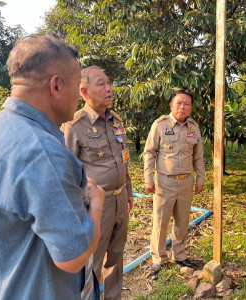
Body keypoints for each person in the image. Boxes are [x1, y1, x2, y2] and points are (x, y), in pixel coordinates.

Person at [0, 34, 105, 299]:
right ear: (56, 86)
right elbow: (73, 257)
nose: (79, 97)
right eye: (77, 86)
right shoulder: (43, 153)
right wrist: (97, 204)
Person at [61, 66, 133, 300]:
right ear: (84, 91)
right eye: (101, 84)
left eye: (109, 83)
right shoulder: (75, 125)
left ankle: (113, 297)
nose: (109, 88)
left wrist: (128, 193)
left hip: (120, 198)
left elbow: (123, 160)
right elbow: (66, 173)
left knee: (116, 255)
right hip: (95, 206)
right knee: (92, 259)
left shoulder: (116, 120)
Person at [143, 90, 205, 275]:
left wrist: (200, 179)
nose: (182, 107)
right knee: (161, 221)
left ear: (191, 108)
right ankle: (158, 258)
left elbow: (198, 157)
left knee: (182, 221)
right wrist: (148, 178)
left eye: (187, 104)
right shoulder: (160, 125)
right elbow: (149, 152)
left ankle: (179, 255)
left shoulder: (194, 128)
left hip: (186, 181)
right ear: (171, 105)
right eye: (178, 103)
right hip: (165, 181)